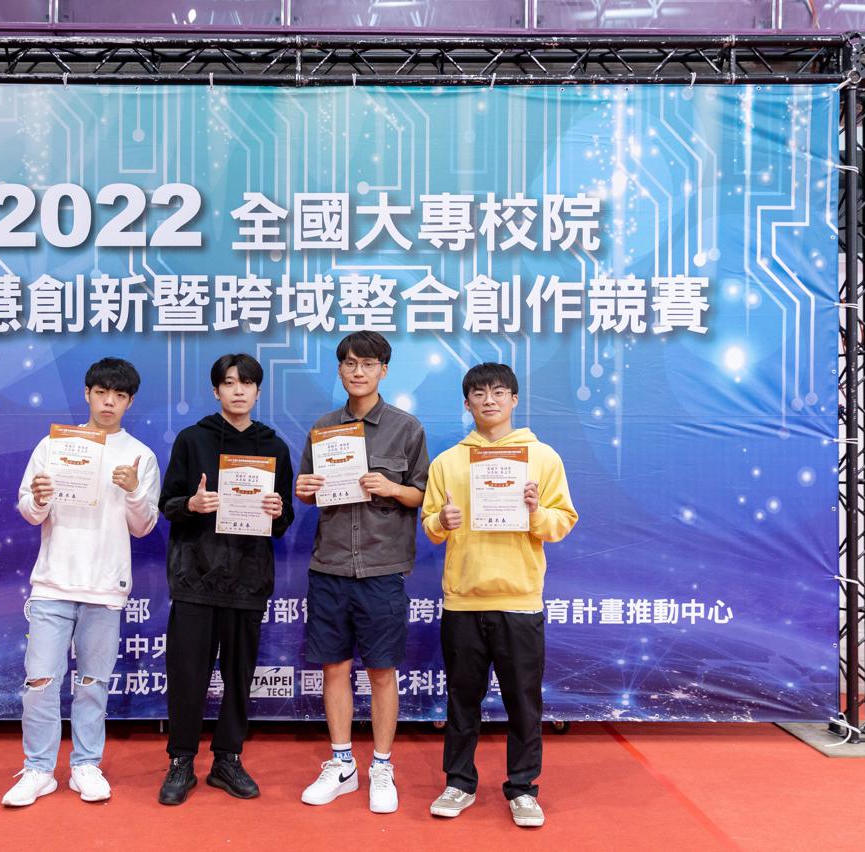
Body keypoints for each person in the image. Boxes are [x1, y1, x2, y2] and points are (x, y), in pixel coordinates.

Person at [420, 362, 577, 828]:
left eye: (498, 392)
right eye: (479, 393)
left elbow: (563, 521)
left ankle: (523, 788)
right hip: (463, 600)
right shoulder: (448, 462)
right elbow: (429, 525)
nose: (489, 400)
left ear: (514, 400)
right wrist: (440, 522)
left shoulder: (542, 458)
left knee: (523, 703)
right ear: (466, 403)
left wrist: (535, 512)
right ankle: (459, 782)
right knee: (461, 700)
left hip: (519, 600)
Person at [1, 357, 162, 807]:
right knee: (40, 682)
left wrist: (133, 490)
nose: (109, 402)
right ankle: (38, 770)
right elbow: (29, 511)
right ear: (87, 394)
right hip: (53, 584)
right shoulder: (53, 446)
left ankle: (86, 765)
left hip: (105, 588)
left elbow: (144, 526)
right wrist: (38, 499)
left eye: (119, 395)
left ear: (130, 402)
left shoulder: (140, 456)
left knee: (93, 684)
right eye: (101, 392)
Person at [295, 331, 429, 814]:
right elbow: (306, 490)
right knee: (334, 667)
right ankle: (342, 763)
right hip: (330, 565)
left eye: (368, 364)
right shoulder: (323, 428)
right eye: (350, 363)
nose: (358, 371)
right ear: (339, 369)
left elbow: (422, 495)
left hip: (381, 568)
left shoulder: (406, 428)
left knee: (381, 671)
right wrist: (304, 489)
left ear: (383, 371)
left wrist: (392, 488)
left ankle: (382, 766)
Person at [156, 353, 295, 805]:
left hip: (248, 579)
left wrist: (278, 511)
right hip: (194, 577)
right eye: (229, 382)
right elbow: (167, 503)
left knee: (239, 675)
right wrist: (191, 505)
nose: (238, 390)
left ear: (258, 391)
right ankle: (181, 760)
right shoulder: (192, 439)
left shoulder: (274, 446)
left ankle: (227, 758)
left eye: (246, 383)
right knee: (187, 674)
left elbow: (284, 520)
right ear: (216, 390)